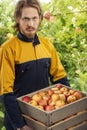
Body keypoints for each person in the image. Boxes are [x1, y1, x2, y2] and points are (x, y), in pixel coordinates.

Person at [0, 0, 70, 130]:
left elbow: (60, 78)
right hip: (20, 119)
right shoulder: (8, 49)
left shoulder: (47, 45)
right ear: (17, 18)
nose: (30, 24)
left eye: (34, 18)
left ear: (40, 19)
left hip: (43, 117)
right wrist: (21, 126)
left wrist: (67, 110)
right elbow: (6, 92)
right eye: (26, 19)